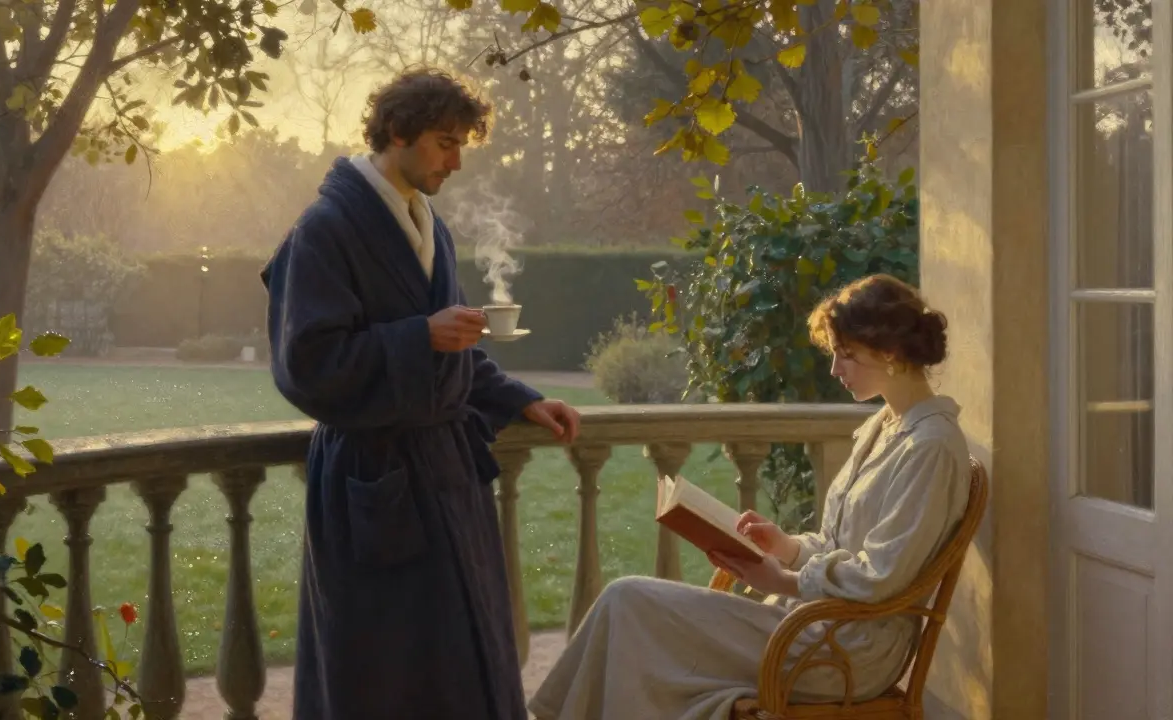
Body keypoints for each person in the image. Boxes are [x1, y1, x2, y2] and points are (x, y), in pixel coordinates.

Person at [261, 67, 581, 720]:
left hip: (445, 473)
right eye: (444, 142)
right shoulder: (324, 229)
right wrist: (416, 338)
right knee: (384, 674)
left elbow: (453, 342)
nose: (456, 161)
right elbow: (306, 366)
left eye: (461, 144)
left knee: (461, 660)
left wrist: (518, 399)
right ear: (398, 132)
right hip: (375, 482)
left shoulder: (427, 224)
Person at [528, 274, 971, 720]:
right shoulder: (883, 427)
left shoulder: (930, 446)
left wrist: (782, 580)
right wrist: (788, 547)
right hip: (813, 625)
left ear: (890, 353)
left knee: (630, 603)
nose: (835, 369)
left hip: (846, 648)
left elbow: (881, 576)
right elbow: (841, 544)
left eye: (846, 355)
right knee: (630, 614)